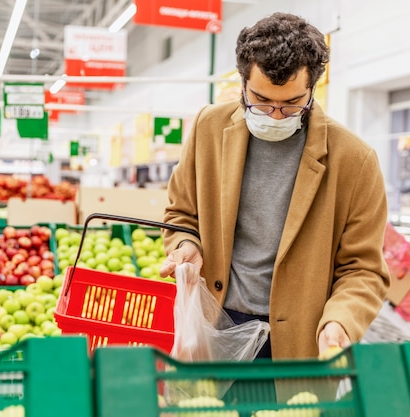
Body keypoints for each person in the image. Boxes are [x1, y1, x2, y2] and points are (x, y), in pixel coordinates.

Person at [159, 12, 390, 360]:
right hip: (213, 325)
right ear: (242, 84)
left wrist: (341, 321)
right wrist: (186, 243)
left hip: (299, 339)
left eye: (291, 104)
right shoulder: (209, 128)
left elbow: (363, 269)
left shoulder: (354, 161)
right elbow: (180, 213)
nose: (275, 115)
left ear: (312, 89)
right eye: (261, 101)